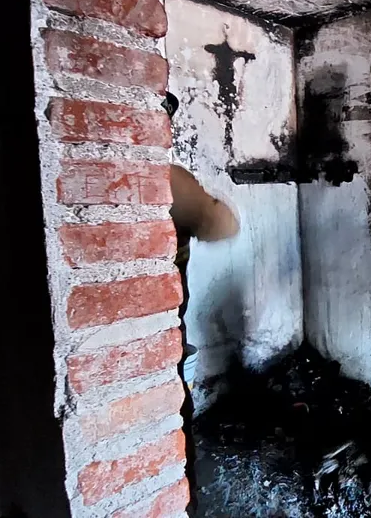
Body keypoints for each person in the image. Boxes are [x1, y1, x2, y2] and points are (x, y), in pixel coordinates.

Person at [163, 91, 239, 514]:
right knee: (172, 410)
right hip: (159, 327)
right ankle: (181, 500)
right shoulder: (163, 177)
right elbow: (221, 224)